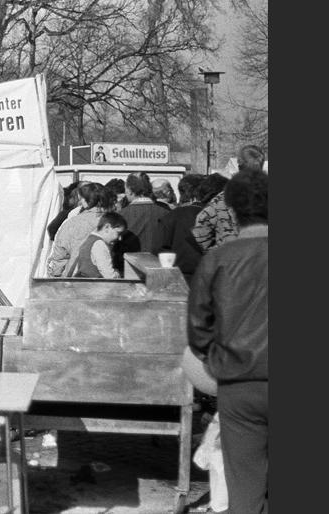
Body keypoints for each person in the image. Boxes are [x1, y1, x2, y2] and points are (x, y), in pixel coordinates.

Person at [188, 169, 268, 514]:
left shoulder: (217, 260)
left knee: (244, 488)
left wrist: (217, 357)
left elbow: (197, 330)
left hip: (238, 384)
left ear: (231, 211)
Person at [192, 145, 265, 252]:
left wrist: (216, 253)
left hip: (231, 262)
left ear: (239, 165)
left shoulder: (222, 199)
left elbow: (200, 234)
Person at [152, 174, 205, 283]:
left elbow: (158, 250)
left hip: (176, 279)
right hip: (205, 278)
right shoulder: (210, 215)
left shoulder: (169, 217)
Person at [46, 182, 104, 277]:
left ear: (84, 201)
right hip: (110, 282)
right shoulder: (114, 221)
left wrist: (55, 276)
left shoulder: (71, 223)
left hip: (75, 281)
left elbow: (59, 256)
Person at [119, 171, 169, 253]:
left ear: (130, 191)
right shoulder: (166, 213)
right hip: (158, 263)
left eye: (125, 190)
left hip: (131, 263)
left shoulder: (121, 215)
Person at [72, 212, 127, 278]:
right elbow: (110, 276)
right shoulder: (100, 245)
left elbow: (76, 268)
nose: (120, 238)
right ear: (107, 227)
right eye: (118, 233)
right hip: (93, 286)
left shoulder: (89, 240)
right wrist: (117, 273)